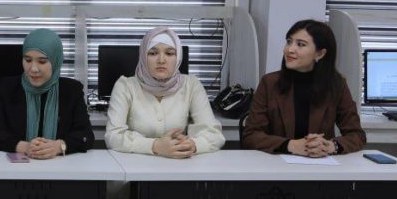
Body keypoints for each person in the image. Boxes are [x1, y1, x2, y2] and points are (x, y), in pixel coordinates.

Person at [242, 19, 366, 156]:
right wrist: (290, 145)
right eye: (289, 42)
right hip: (277, 163)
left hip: (319, 162)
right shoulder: (269, 83)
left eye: (300, 44)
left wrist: (330, 146)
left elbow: (357, 135)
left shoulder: (336, 85)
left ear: (320, 54)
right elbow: (250, 136)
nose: (290, 49)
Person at [105, 27, 225, 158]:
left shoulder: (191, 85)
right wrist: (155, 146)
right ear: (143, 56)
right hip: (133, 166)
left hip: (179, 164)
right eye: (153, 53)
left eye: (169, 53)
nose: (161, 60)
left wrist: (192, 145)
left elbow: (214, 135)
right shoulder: (125, 86)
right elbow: (113, 136)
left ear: (178, 57)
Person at [0, 28, 93, 159]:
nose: (33, 69)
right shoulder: (6, 88)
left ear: (56, 61)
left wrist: (58, 146)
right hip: (16, 168)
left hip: (59, 167)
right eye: (28, 60)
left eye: (42, 61)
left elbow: (86, 136)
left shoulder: (71, 90)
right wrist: (25, 147)